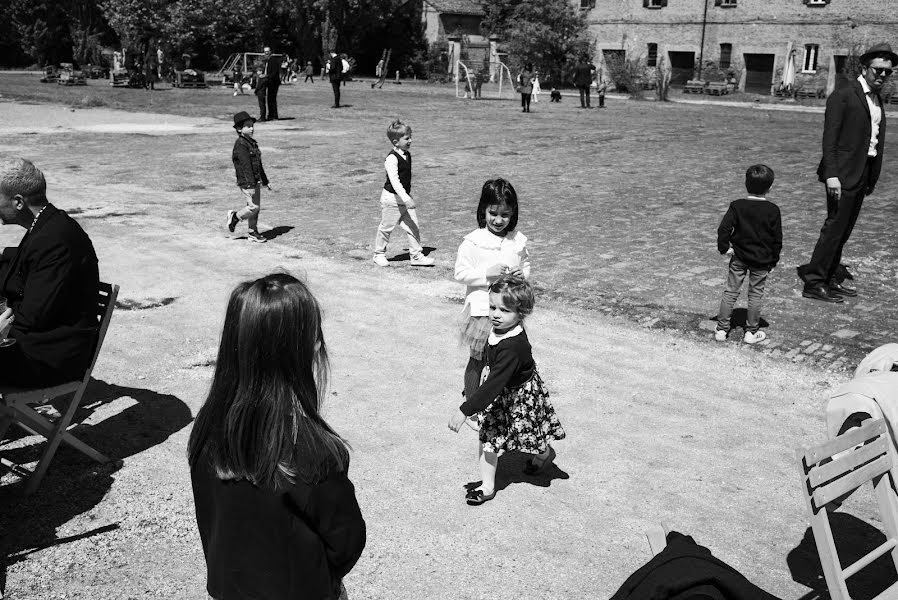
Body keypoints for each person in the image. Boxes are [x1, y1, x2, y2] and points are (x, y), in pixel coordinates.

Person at [189, 273, 366, 600]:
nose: (318, 345)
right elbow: (346, 542)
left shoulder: (208, 429)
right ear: (294, 354)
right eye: (313, 335)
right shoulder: (313, 452)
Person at [448, 274, 565, 506]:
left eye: (504, 310)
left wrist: (465, 409)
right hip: (503, 390)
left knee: (530, 434)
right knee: (489, 438)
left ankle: (544, 454)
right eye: (492, 307)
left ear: (521, 313)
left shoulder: (512, 346)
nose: (496, 314)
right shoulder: (502, 329)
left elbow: (493, 384)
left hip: (521, 395)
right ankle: (487, 486)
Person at [799, 42, 896, 303]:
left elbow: (872, 138)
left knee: (845, 230)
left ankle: (829, 277)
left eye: (888, 71)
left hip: (862, 172)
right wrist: (832, 175)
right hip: (841, 175)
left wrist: (871, 176)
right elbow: (829, 139)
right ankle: (814, 282)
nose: (883, 75)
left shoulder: (876, 98)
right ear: (865, 68)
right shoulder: (844, 94)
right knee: (834, 228)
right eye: (878, 70)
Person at [0, 158, 100, 386]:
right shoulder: (46, 225)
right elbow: (20, 269)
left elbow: (30, 316)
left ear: (18, 202)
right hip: (36, 341)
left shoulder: (55, 239)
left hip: (49, 356)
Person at [454, 178, 530, 406]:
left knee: (505, 359)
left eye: (505, 215)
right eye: (493, 213)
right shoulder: (473, 241)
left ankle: (500, 400)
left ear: (513, 213)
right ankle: (471, 403)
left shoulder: (517, 241)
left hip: (509, 311)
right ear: (483, 210)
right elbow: (460, 273)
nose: (498, 220)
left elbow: (526, 265)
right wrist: (487, 274)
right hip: (481, 311)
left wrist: (521, 276)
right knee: (478, 359)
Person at [714, 164, 782, 344]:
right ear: (770, 187)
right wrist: (774, 260)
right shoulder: (773, 210)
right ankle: (751, 332)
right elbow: (777, 239)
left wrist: (724, 248)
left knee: (731, 292)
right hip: (762, 260)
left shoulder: (737, 206)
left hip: (739, 257)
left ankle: (721, 329)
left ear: (746, 184)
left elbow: (724, 229)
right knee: (755, 295)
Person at [371, 120, 435, 268]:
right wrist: (406, 198)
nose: (410, 140)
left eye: (410, 137)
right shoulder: (391, 158)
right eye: (406, 138)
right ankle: (378, 254)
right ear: (396, 141)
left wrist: (407, 196)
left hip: (404, 199)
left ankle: (416, 255)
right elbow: (395, 181)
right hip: (391, 200)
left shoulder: (407, 154)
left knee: (413, 227)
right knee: (386, 227)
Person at [226, 111, 270, 243]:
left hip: (255, 180)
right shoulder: (241, 144)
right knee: (253, 207)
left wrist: (265, 180)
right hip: (246, 181)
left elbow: (258, 164)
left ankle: (252, 232)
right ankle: (235, 217)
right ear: (239, 129)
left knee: (256, 209)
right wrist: (250, 185)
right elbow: (245, 166)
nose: (252, 128)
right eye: (248, 126)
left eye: (252, 126)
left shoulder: (252, 143)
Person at [261, 46, 281, 120]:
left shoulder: (273, 60)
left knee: (272, 98)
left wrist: (267, 77)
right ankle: (271, 115)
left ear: (270, 52)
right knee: (270, 99)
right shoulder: (268, 60)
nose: (266, 53)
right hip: (270, 81)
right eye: (265, 51)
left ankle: (273, 115)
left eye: (267, 51)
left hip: (273, 82)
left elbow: (274, 72)